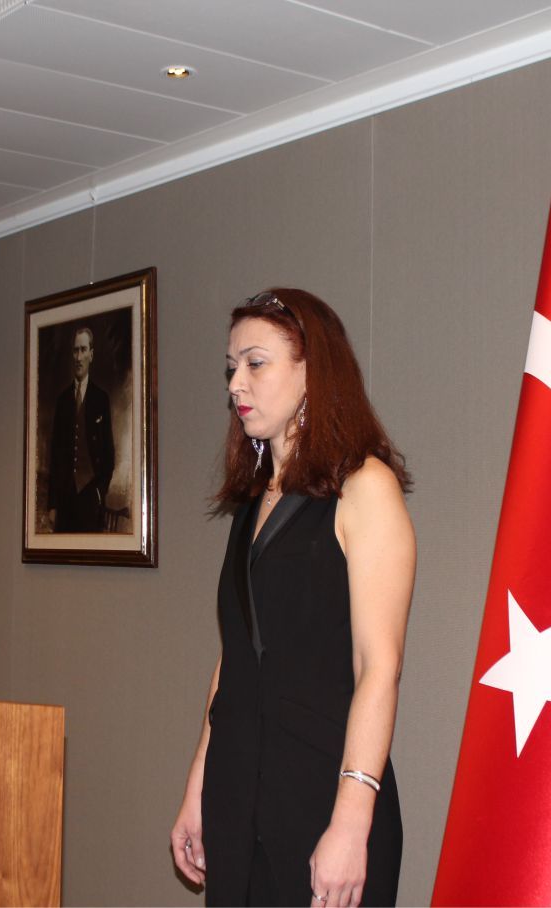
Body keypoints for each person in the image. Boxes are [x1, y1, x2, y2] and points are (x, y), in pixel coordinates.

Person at [170, 289, 416, 907]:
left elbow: (379, 668)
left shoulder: (366, 487)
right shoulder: (252, 503)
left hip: (323, 801)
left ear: (314, 372)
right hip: (237, 799)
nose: (236, 384)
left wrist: (352, 823)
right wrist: (199, 785)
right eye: (232, 367)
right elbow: (235, 662)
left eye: (256, 363)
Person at [47, 325, 114, 532]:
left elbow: (109, 454)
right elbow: (55, 457)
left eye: (83, 350)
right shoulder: (62, 401)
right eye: (75, 350)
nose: (78, 357)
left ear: (91, 355)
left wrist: (99, 492)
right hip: (65, 500)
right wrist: (52, 505)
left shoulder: (101, 399)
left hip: (90, 500)